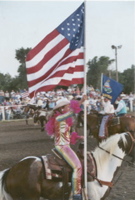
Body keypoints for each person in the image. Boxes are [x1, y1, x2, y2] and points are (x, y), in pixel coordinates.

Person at [45, 96, 86, 200]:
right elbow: (72, 112)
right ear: (61, 109)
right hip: (62, 146)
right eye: (67, 106)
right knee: (78, 167)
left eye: (69, 106)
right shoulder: (59, 118)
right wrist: (81, 101)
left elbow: (66, 134)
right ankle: (77, 195)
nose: (69, 108)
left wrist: (78, 137)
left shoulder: (62, 119)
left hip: (64, 145)